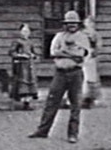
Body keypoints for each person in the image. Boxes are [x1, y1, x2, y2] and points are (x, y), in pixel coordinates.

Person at [29, 11, 89, 144]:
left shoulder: (82, 37)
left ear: (78, 24)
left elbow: (80, 55)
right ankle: (42, 131)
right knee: (51, 102)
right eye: (69, 23)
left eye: (74, 23)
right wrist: (70, 52)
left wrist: (63, 52)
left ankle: (73, 134)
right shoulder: (58, 36)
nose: (72, 26)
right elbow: (53, 52)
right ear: (65, 24)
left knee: (75, 104)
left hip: (75, 73)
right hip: (60, 73)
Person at [9, 23, 38, 110]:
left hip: (30, 65)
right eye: (24, 31)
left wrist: (33, 55)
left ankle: (27, 103)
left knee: (30, 82)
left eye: (27, 31)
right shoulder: (17, 42)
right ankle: (20, 103)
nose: (26, 33)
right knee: (22, 82)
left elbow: (34, 53)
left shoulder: (30, 42)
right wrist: (20, 55)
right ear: (20, 32)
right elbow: (11, 52)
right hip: (21, 65)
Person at [81, 16, 103, 108]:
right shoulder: (81, 33)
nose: (89, 24)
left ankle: (91, 98)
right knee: (83, 77)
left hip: (91, 58)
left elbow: (99, 45)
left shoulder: (96, 34)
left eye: (91, 23)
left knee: (92, 78)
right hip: (82, 57)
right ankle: (81, 98)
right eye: (87, 22)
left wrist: (94, 52)